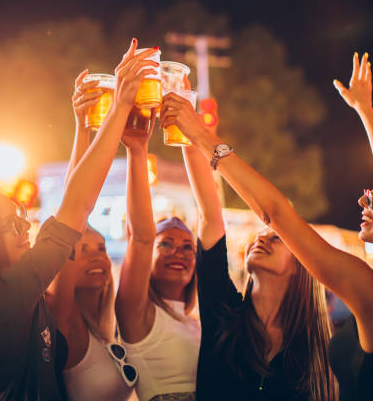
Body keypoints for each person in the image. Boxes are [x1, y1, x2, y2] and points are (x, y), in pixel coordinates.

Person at [160, 51, 373, 401]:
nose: (264, 236)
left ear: (301, 264)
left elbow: (276, 213)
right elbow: (211, 214)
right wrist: (187, 124)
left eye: (278, 238)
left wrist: (200, 133)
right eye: (265, 234)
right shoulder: (225, 311)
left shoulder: (317, 341)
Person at [0, 38, 157, 400]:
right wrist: (119, 108)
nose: (28, 232)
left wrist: (83, 128)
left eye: (25, 221)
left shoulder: (3, 287)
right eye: (15, 225)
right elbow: (74, 212)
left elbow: (69, 214)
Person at [46, 69, 136, 401]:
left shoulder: (102, 327)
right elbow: (73, 214)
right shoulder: (63, 318)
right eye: (82, 250)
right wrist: (83, 129)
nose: (97, 254)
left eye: (100, 248)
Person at [115, 97, 201, 401]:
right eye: (165, 244)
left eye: (188, 247)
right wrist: (137, 150)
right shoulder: (138, 314)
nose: (179, 253)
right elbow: (140, 237)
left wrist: (195, 135)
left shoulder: (197, 322)